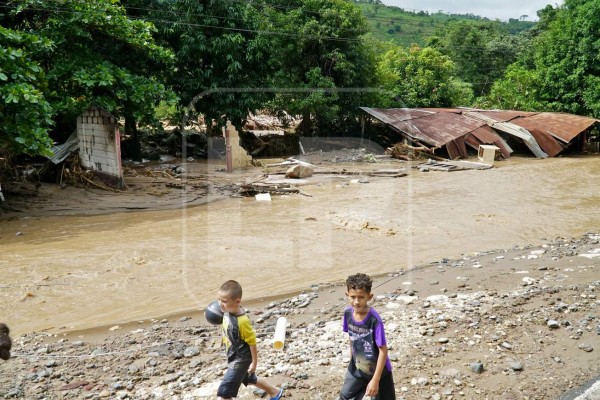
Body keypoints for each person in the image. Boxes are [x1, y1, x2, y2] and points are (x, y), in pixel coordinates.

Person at [216, 280, 284, 400]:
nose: (220, 304)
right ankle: (274, 392)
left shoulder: (242, 321)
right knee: (248, 378)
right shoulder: (228, 310)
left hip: (240, 359)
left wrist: (254, 363)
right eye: (219, 300)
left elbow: (252, 342)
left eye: (224, 301)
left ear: (237, 302)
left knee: (225, 392)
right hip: (233, 354)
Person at [339, 273, 395, 400]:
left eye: (361, 297)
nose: (356, 301)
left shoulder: (374, 320)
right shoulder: (347, 314)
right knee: (345, 396)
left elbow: (383, 350)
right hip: (357, 367)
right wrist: (351, 357)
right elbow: (351, 338)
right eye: (353, 297)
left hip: (379, 371)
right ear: (347, 295)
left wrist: (375, 379)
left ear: (369, 297)